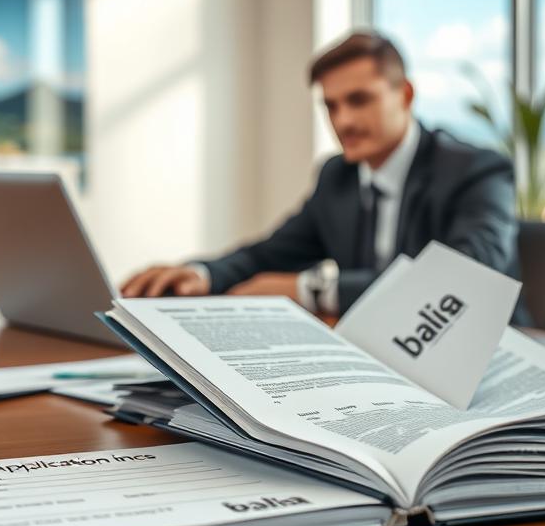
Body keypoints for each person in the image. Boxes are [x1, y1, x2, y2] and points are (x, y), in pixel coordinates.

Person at [121, 31, 523, 319]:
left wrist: (311, 290)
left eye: (359, 100)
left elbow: (466, 278)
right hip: (383, 359)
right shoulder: (338, 177)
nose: (342, 120)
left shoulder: (476, 170)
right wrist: (201, 274)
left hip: (486, 365)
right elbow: (270, 254)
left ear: (405, 95)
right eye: (330, 106)